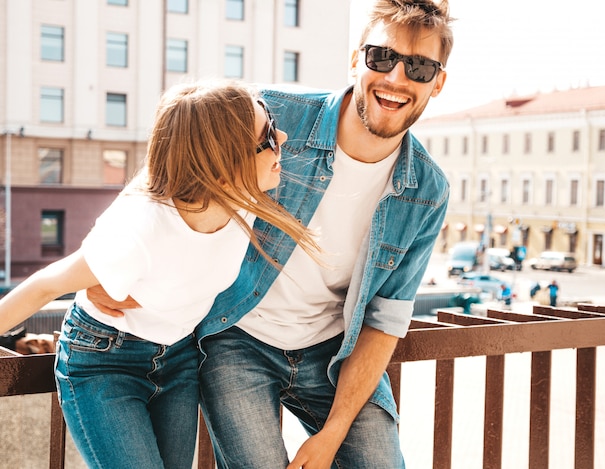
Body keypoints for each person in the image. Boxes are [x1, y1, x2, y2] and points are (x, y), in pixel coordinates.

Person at [90, 0, 453, 466]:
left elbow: (384, 321)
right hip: (236, 334)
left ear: (438, 82)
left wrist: (332, 435)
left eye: (419, 68)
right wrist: (105, 260)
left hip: (332, 349)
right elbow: (174, 162)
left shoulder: (427, 190)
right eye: (381, 58)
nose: (397, 79)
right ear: (355, 58)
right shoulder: (273, 113)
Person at [0, 80, 319, 469]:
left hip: (179, 358)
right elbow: (43, 286)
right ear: (221, 167)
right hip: (105, 361)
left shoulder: (244, 197)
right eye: (268, 134)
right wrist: (99, 272)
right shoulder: (142, 228)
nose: (282, 135)